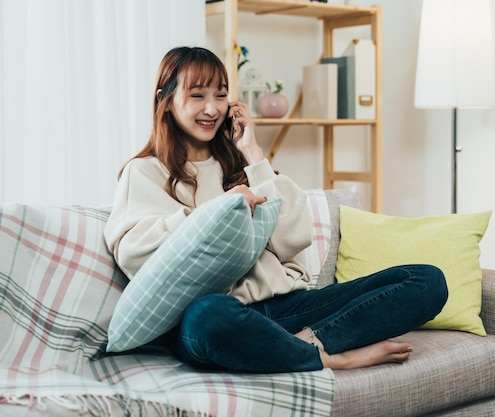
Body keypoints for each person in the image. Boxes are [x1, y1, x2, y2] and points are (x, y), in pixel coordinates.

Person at [104, 46, 448, 373]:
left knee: (426, 280)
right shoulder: (145, 171)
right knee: (207, 318)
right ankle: (334, 359)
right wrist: (216, 212)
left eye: (221, 95)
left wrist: (253, 153)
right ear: (165, 101)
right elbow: (133, 252)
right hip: (220, 314)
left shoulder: (242, 166)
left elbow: (295, 237)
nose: (212, 109)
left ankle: (304, 344)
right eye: (197, 96)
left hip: (289, 306)